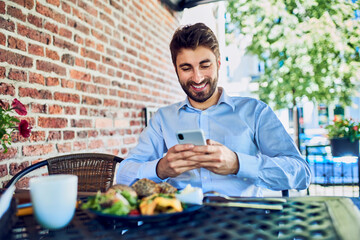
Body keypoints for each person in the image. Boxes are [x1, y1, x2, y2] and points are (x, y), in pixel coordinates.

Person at [116, 23, 311, 196]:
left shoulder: (255, 112)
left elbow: (300, 173)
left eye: (205, 65)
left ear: (218, 64)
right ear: (176, 69)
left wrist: (237, 164)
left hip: (243, 225)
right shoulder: (162, 119)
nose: (198, 77)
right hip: (181, 226)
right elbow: (123, 174)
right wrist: (160, 169)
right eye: (186, 68)